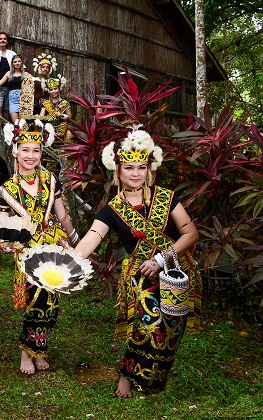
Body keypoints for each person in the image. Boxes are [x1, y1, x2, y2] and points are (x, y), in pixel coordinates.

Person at [73, 127, 201, 398]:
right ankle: (127, 375)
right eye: (128, 167)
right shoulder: (111, 209)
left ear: (149, 168)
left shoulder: (166, 198)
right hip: (141, 275)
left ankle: (152, 379)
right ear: (117, 170)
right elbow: (90, 240)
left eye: (141, 167)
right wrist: (65, 263)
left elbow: (191, 234)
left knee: (172, 329)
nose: (135, 173)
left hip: (174, 270)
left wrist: (162, 257)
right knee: (147, 325)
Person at [0, 119, 79, 375]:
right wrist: (3, 242)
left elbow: (63, 216)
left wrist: (77, 243)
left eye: (36, 150)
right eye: (25, 150)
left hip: (53, 245)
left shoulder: (51, 181)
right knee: (37, 299)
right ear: (14, 151)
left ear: (42, 152)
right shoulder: (6, 190)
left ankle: (38, 349)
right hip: (26, 249)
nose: (30, 156)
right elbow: (3, 225)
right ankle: (26, 352)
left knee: (51, 303)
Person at [0, 55, 30, 123]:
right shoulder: (8, 73)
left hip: (23, 99)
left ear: (22, 63)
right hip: (13, 100)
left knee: (23, 124)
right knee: (16, 123)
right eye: (15, 62)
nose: (17, 63)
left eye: (19, 61)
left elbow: (36, 81)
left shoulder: (26, 74)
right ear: (12, 64)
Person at [39, 75, 71, 141]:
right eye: (51, 90)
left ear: (59, 89)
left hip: (62, 129)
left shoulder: (65, 103)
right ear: (49, 91)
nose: (53, 91)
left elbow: (70, 118)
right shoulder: (45, 103)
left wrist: (62, 115)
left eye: (55, 89)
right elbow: (41, 116)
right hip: (49, 128)